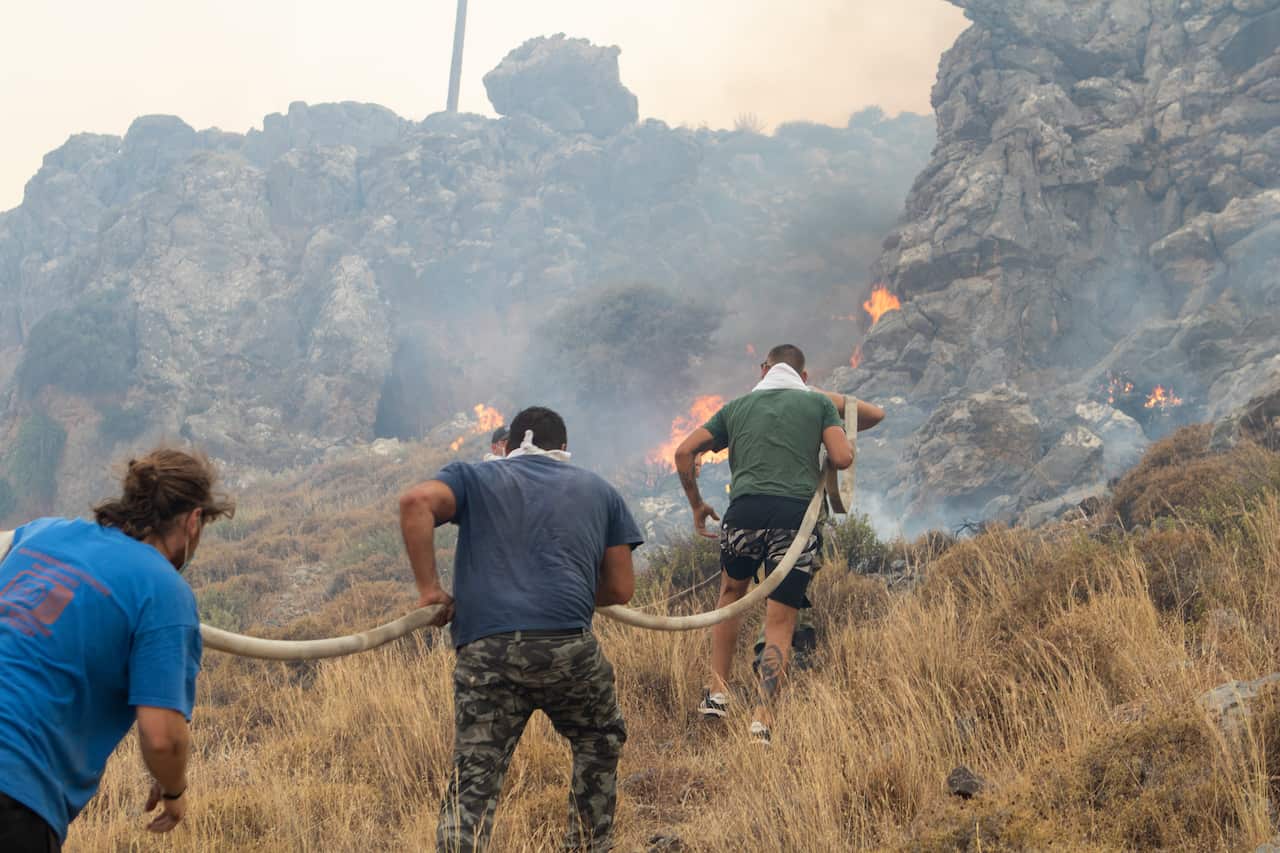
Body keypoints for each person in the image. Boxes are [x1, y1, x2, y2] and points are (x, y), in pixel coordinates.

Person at [399, 406, 644, 852]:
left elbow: (415, 502)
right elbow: (621, 588)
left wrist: (429, 590)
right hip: (567, 650)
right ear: (564, 449)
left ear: (507, 447)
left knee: (476, 772)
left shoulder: (474, 478)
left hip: (486, 652)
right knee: (598, 739)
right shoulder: (599, 490)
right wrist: (558, 593)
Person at [0, 448, 235, 851]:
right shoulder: (162, 590)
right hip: (15, 788)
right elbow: (162, 737)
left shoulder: (41, 533)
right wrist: (174, 790)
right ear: (193, 521)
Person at [674, 344, 884, 744]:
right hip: (794, 519)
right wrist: (820, 402)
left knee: (730, 597)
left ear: (762, 370)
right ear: (804, 378)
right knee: (780, 619)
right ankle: (762, 719)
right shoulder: (818, 403)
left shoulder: (735, 408)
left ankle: (718, 692)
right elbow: (845, 452)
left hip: (744, 514)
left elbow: (684, 451)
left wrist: (697, 504)